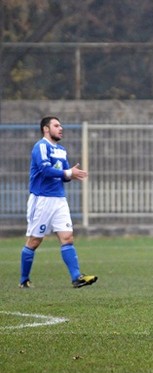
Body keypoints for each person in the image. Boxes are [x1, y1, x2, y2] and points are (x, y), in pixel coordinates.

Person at [18, 116, 98, 289]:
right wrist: (68, 173)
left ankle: (76, 277)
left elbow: (65, 175)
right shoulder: (41, 146)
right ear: (46, 129)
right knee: (34, 241)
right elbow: (46, 171)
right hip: (42, 199)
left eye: (61, 125)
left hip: (59, 199)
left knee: (67, 237)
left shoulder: (61, 149)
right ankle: (24, 280)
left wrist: (71, 174)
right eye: (56, 125)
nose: (60, 128)